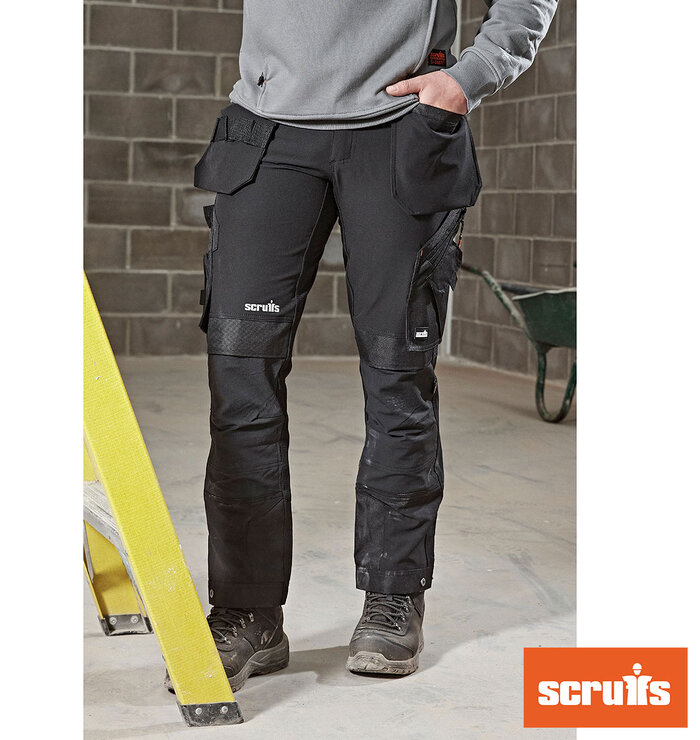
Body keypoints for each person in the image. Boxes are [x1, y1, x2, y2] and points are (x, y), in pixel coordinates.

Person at [172, 0, 558, 692]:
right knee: (240, 380)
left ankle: (394, 595)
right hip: (267, 130)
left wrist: (471, 75)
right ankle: (247, 612)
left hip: (402, 126)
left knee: (397, 375)